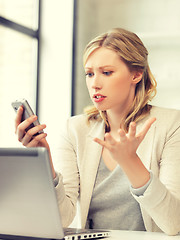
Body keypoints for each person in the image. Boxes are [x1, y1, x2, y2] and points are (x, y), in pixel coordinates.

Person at [15, 28, 180, 235]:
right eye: (90, 73)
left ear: (136, 74)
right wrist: (43, 157)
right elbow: (62, 218)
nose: (94, 84)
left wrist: (131, 162)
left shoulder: (172, 124)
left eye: (107, 72)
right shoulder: (75, 130)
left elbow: (173, 223)